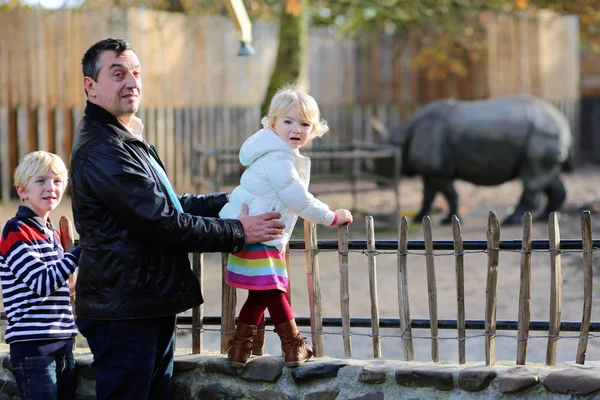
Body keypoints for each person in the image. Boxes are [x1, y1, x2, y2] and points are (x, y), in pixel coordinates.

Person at [69, 38, 285, 400]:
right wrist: (237, 230)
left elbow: (169, 203)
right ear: (90, 86)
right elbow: (162, 222)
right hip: (124, 312)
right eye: (118, 74)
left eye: (136, 73)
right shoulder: (102, 149)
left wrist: (226, 201)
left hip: (144, 304)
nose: (132, 82)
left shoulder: (126, 137)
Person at [219, 85, 353, 368]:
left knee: (259, 294)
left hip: (255, 233)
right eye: (288, 121)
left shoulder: (277, 153)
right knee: (274, 291)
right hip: (260, 235)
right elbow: (296, 197)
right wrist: (331, 216)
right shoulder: (279, 158)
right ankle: (293, 345)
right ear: (273, 124)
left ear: (313, 129)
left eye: (304, 123)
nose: (296, 129)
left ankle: (239, 351)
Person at [0, 151, 80, 400]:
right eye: (40, 181)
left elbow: (53, 287)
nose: (50, 188)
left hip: (64, 346)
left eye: (57, 181)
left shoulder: (52, 233)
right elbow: (41, 283)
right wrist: (81, 252)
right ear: (22, 190)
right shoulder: (16, 230)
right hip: (34, 350)